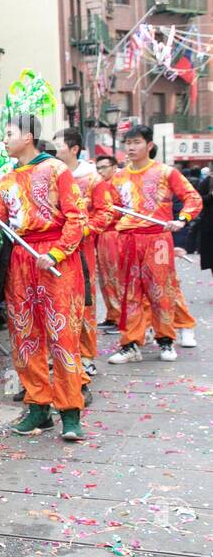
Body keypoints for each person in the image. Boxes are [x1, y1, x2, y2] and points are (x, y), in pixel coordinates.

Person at [0, 115, 88, 440]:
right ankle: (38, 408)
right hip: (21, 260)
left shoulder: (57, 170)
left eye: (9, 133)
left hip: (55, 260)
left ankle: (71, 412)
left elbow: (77, 216)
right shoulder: (5, 181)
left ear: (29, 136)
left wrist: (58, 253)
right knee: (24, 336)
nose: (4, 140)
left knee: (63, 337)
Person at [105, 124, 202, 364]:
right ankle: (130, 344)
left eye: (136, 142)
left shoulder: (166, 173)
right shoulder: (118, 177)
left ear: (149, 145)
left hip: (158, 238)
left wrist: (181, 220)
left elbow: (193, 198)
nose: (131, 147)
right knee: (129, 292)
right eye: (128, 143)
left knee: (161, 291)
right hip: (128, 240)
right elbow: (111, 210)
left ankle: (166, 340)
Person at [52, 129, 113, 396]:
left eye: (59, 145)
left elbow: (106, 213)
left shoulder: (93, 179)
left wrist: (83, 230)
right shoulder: (50, 174)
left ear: (74, 148)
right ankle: (61, 357)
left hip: (82, 249)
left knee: (83, 302)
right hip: (54, 249)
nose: (55, 150)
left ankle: (86, 357)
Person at [94, 154, 122, 330]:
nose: (101, 171)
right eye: (98, 168)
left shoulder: (118, 185)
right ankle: (112, 314)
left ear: (114, 167)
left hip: (114, 234)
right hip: (102, 235)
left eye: (104, 167)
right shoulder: (99, 185)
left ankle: (121, 317)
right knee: (105, 278)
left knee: (115, 276)